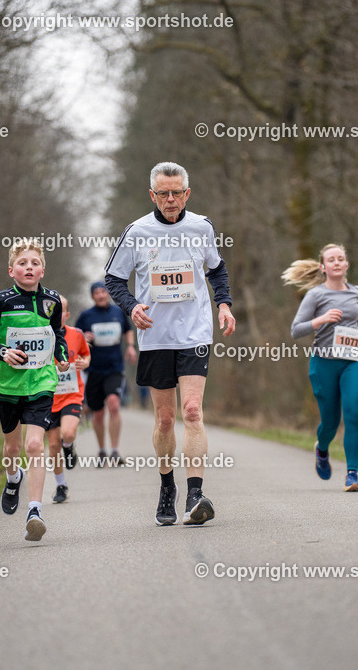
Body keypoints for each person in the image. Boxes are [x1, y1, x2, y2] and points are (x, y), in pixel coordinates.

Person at [105, 161, 235, 526]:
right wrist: (132, 307)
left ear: (187, 194)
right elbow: (113, 280)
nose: (171, 199)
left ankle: (195, 493)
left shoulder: (201, 226)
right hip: (155, 336)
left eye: (177, 192)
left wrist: (223, 304)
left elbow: (216, 269)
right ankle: (167, 487)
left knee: (192, 411)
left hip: (194, 332)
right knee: (165, 419)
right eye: (163, 193)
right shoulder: (136, 232)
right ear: (153, 195)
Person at [0, 240, 69, 540]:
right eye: (22, 263)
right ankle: (13, 478)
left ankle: (35, 510)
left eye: (34, 263)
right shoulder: (1, 302)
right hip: (8, 385)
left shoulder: (52, 302)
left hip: (42, 382)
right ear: (11, 270)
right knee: (12, 448)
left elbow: (57, 335)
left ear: (42, 270)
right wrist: (1, 352)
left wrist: (61, 356)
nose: (29, 267)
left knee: (34, 446)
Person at [284, 244, 358, 491]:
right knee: (330, 422)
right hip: (324, 363)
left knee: (353, 415)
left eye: (341, 259)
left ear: (347, 264)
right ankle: (322, 449)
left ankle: (352, 474)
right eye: (331, 259)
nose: (337, 263)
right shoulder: (315, 295)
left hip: (354, 361)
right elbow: (296, 330)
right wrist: (322, 319)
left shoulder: (357, 292)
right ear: (323, 267)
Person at [76, 281, 136, 466]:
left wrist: (131, 347)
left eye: (103, 292)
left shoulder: (118, 312)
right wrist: (84, 338)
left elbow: (128, 330)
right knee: (98, 413)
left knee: (114, 405)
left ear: (108, 294)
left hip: (115, 368)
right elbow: (74, 337)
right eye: (97, 293)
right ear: (93, 296)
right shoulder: (86, 316)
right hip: (93, 369)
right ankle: (102, 450)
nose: (101, 295)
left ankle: (115, 450)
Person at [46, 297, 90, 503]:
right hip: (47, 396)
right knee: (53, 445)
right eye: (52, 310)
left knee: (68, 432)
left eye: (61, 310)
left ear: (67, 314)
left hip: (72, 393)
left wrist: (84, 362)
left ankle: (69, 446)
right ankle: (61, 485)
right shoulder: (41, 335)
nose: (57, 314)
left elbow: (85, 355)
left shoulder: (76, 334)